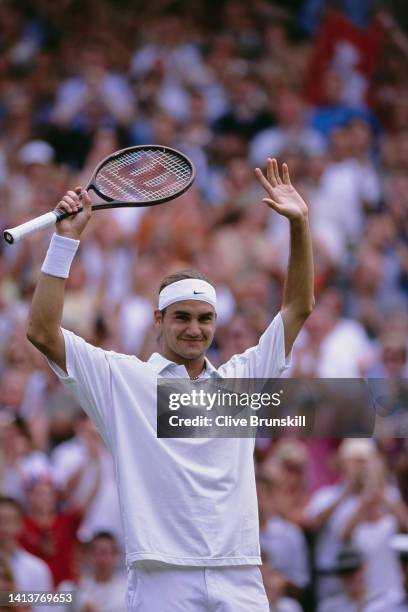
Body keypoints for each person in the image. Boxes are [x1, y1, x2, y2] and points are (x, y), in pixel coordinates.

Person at [26, 158, 314, 611]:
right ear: (159, 319)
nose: (194, 330)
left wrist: (299, 225)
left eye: (204, 319)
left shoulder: (242, 379)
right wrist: (64, 242)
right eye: (182, 317)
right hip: (161, 579)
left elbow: (297, 307)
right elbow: (42, 333)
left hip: (238, 574)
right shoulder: (123, 379)